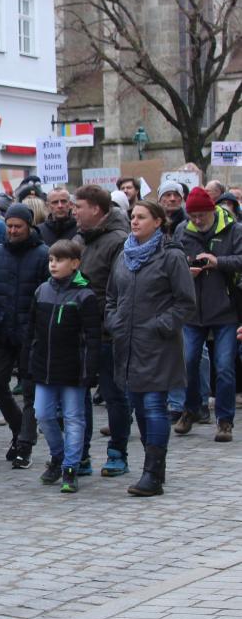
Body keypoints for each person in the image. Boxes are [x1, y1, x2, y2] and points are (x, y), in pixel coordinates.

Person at [106, 200, 196, 496]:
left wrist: (161, 325)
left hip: (157, 343)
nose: (134, 221)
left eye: (142, 217)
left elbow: (185, 302)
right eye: (132, 216)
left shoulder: (171, 256)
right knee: (139, 406)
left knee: (154, 406)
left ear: (158, 222)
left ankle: (152, 474)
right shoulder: (124, 254)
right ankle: (153, 464)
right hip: (127, 343)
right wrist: (114, 321)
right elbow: (111, 296)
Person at [0, 203, 49, 468]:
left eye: (18, 226)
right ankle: (19, 429)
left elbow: (47, 292)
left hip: (31, 334)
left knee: (30, 391)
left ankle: (25, 445)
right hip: (1, 330)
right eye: (9, 226)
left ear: (29, 226)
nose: (12, 230)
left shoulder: (43, 254)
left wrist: (35, 325)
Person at [27, 240, 101, 493]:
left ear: (75, 264)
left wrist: (90, 370)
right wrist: (29, 360)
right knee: (43, 414)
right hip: (45, 367)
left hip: (73, 368)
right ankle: (58, 455)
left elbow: (93, 337)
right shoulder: (42, 292)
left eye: (59, 260)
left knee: (73, 417)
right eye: (51, 260)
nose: (53, 265)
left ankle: (71, 465)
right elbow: (32, 330)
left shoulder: (85, 295)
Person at [174, 186, 242, 442]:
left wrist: (217, 262)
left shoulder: (233, 229)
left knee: (224, 367)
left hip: (225, 309)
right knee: (188, 362)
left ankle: (224, 421)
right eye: (193, 215)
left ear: (212, 210)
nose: (197, 220)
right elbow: (172, 259)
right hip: (193, 310)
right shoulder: (182, 230)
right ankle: (191, 409)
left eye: (202, 215)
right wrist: (186, 268)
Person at [73, 185, 131, 476]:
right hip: (78, 331)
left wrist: (110, 322)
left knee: (114, 394)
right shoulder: (77, 240)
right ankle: (80, 455)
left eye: (78, 206)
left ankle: (118, 452)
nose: (73, 211)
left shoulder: (119, 241)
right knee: (78, 395)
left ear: (95, 209)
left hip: (107, 332)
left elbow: (119, 289)